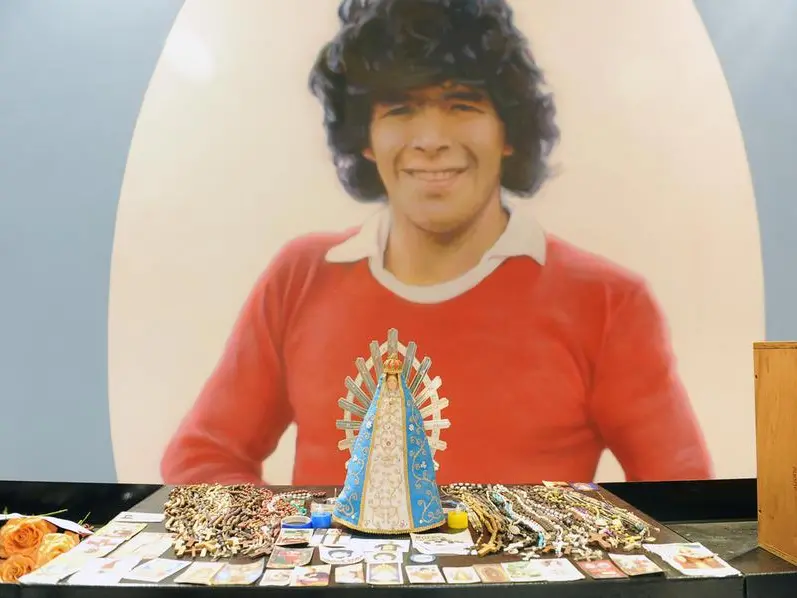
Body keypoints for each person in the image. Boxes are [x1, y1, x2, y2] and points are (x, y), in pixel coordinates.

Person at [161, 0, 712, 487]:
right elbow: (203, 458)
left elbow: (685, 499)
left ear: (509, 131)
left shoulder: (608, 303)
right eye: (399, 109)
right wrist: (299, 547)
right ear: (365, 138)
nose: (430, 140)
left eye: (462, 104)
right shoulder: (300, 276)